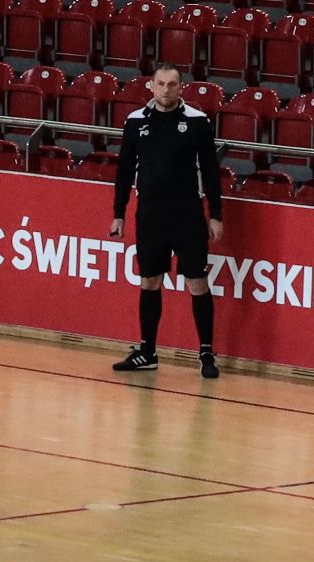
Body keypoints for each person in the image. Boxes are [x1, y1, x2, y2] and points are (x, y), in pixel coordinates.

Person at [110, 62, 225, 378]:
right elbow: (124, 171)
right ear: (151, 86)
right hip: (150, 214)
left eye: (172, 84)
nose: (165, 89)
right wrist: (118, 213)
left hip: (187, 214)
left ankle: (206, 353)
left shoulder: (197, 121)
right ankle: (147, 352)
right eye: (160, 84)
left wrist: (215, 214)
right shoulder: (136, 121)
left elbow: (210, 171)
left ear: (180, 87)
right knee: (150, 281)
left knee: (197, 282)